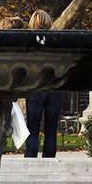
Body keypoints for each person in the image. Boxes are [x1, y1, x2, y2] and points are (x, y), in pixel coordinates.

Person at [22, 10, 66, 157]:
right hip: (54, 88)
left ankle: (30, 158)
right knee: (51, 130)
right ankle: (49, 159)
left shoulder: (28, 41)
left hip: (35, 87)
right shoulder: (57, 41)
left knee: (33, 129)